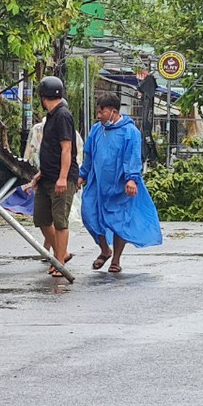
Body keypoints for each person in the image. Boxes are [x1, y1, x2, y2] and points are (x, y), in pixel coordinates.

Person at [78, 92, 162, 273]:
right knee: (88, 213)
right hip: (97, 183)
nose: (99, 116)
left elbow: (132, 157)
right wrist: (82, 175)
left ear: (113, 111)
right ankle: (104, 250)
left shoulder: (130, 132)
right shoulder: (96, 130)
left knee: (119, 221)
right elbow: (89, 156)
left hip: (119, 185)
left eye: (102, 112)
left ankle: (115, 260)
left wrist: (132, 179)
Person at [29, 76, 78, 277]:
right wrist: (41, 173)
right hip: (47, 177)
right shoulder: (51, 116)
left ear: (42, 97)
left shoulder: (62, 116)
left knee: (60, 221)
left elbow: (67, 149)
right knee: (41, 218)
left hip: (61, 178)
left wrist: (62, 178)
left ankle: (59, 263)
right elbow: (49, 150)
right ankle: (62, 253)